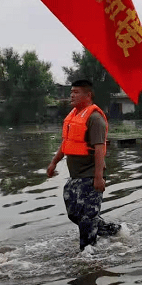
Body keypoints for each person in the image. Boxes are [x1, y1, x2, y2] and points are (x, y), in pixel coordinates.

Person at [47, 80, 120, 251]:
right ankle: (113, 231)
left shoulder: (95, 118)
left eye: (76, 92)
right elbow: (66, 143)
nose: (72, 95)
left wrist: (99, 177)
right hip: (75, 176)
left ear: (88, 95)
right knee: (75, 214)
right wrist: (53, 162)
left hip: (90, 175)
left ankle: (88, 256)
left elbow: (100, 149)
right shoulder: (73, 116)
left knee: (87, 219)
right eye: (71, 91)